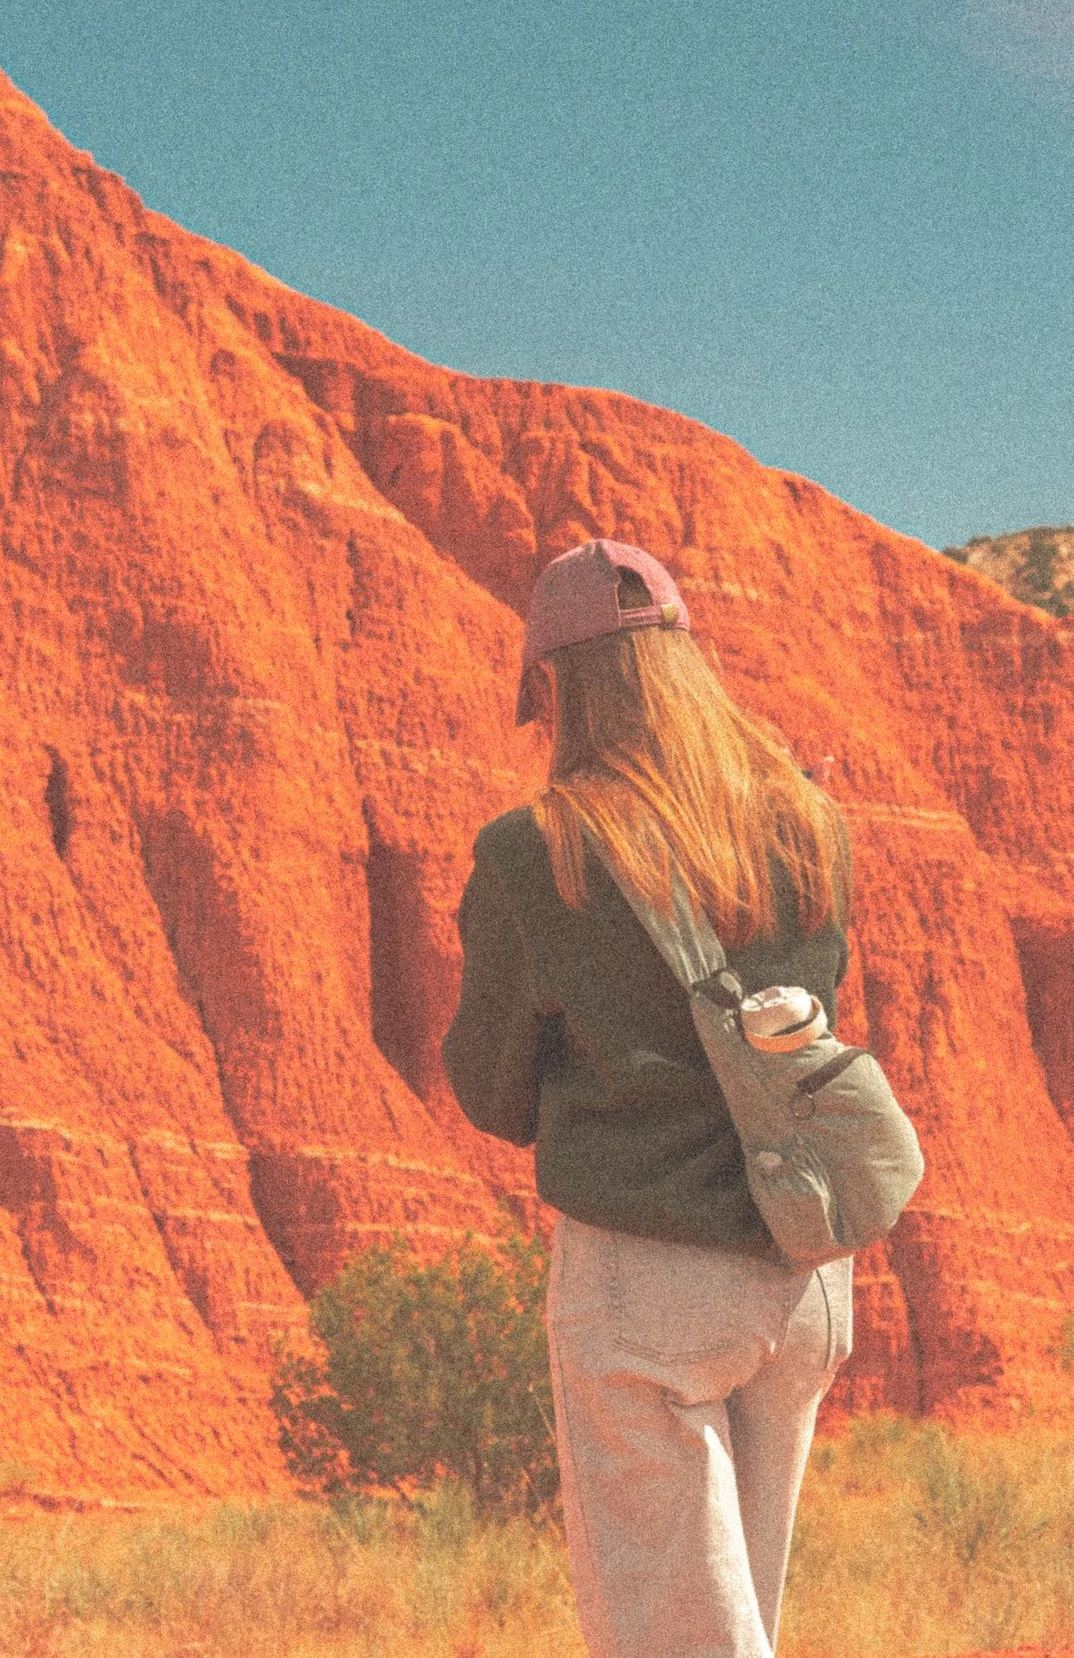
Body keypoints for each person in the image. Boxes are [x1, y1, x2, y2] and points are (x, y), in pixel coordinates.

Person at [441, 538, 855, 1658]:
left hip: (647, 1276)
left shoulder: (537, 852)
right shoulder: (807, 821)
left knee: (673, 1640)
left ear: (557, 686)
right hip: (805, 1264)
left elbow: (491, 1089)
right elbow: (798, 1017)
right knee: (736, 1625)